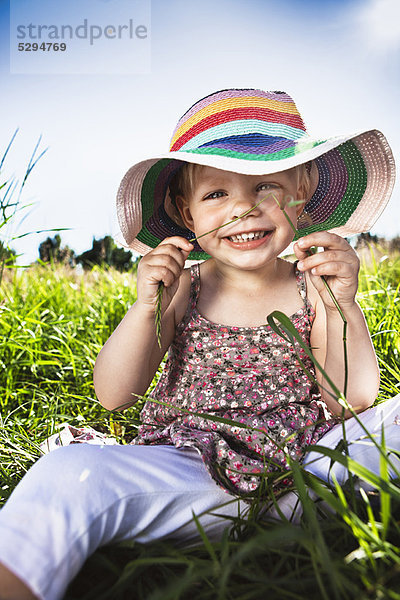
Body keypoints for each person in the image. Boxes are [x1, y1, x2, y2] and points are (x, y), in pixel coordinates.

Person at [0, 88, 399, 600]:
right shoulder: (185, 286)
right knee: (70, 473)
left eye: (267, 188)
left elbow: (354, 397)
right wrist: (146, 310)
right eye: (217, 194)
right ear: (187, 215)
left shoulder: (311, 285)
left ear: (301, 196)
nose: (244, 209)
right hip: (192, 477)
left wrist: (343, 304)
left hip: (309, 470)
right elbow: (115, 394)